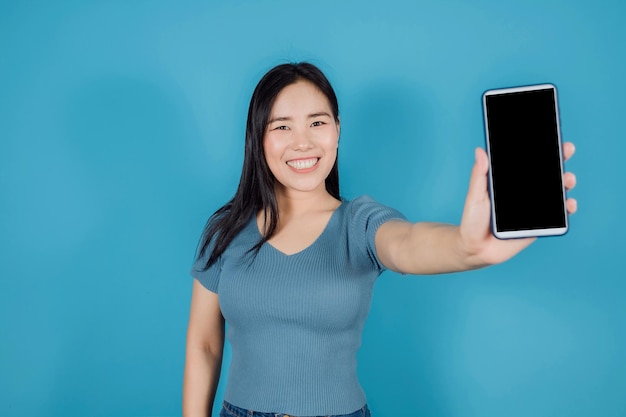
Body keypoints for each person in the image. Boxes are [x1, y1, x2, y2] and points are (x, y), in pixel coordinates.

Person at [182, 62, 578, 417]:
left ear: (338, 129)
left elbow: (406, 243)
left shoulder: (359, 222)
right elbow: (204, 344)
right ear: (258, 136)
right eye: (282, 125)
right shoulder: (225, 230)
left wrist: (465, 246)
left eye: (317, 123)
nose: (302, 142)